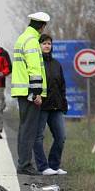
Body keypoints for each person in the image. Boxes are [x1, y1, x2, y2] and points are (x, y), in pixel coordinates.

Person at [11, 12, 49, 175]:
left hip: (21, 90)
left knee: (24, 128)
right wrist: (36, 93)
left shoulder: (22, 38)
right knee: (29, 129)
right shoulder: (32, 42)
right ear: (42, 26)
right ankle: (25, 164)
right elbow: (34, 69)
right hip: (29, 91)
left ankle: (23, 162)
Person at [34, 34, 68, 175]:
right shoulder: (35, 63)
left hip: (56, 106)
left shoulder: (56, 64)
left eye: (49, 43)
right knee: (38, 137)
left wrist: (63, 103)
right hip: (41, 106)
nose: (47, 46)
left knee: (61, 137)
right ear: (39, 46)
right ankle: (43, 167)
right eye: (44, 43)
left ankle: (54, 166)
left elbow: (62, 85)